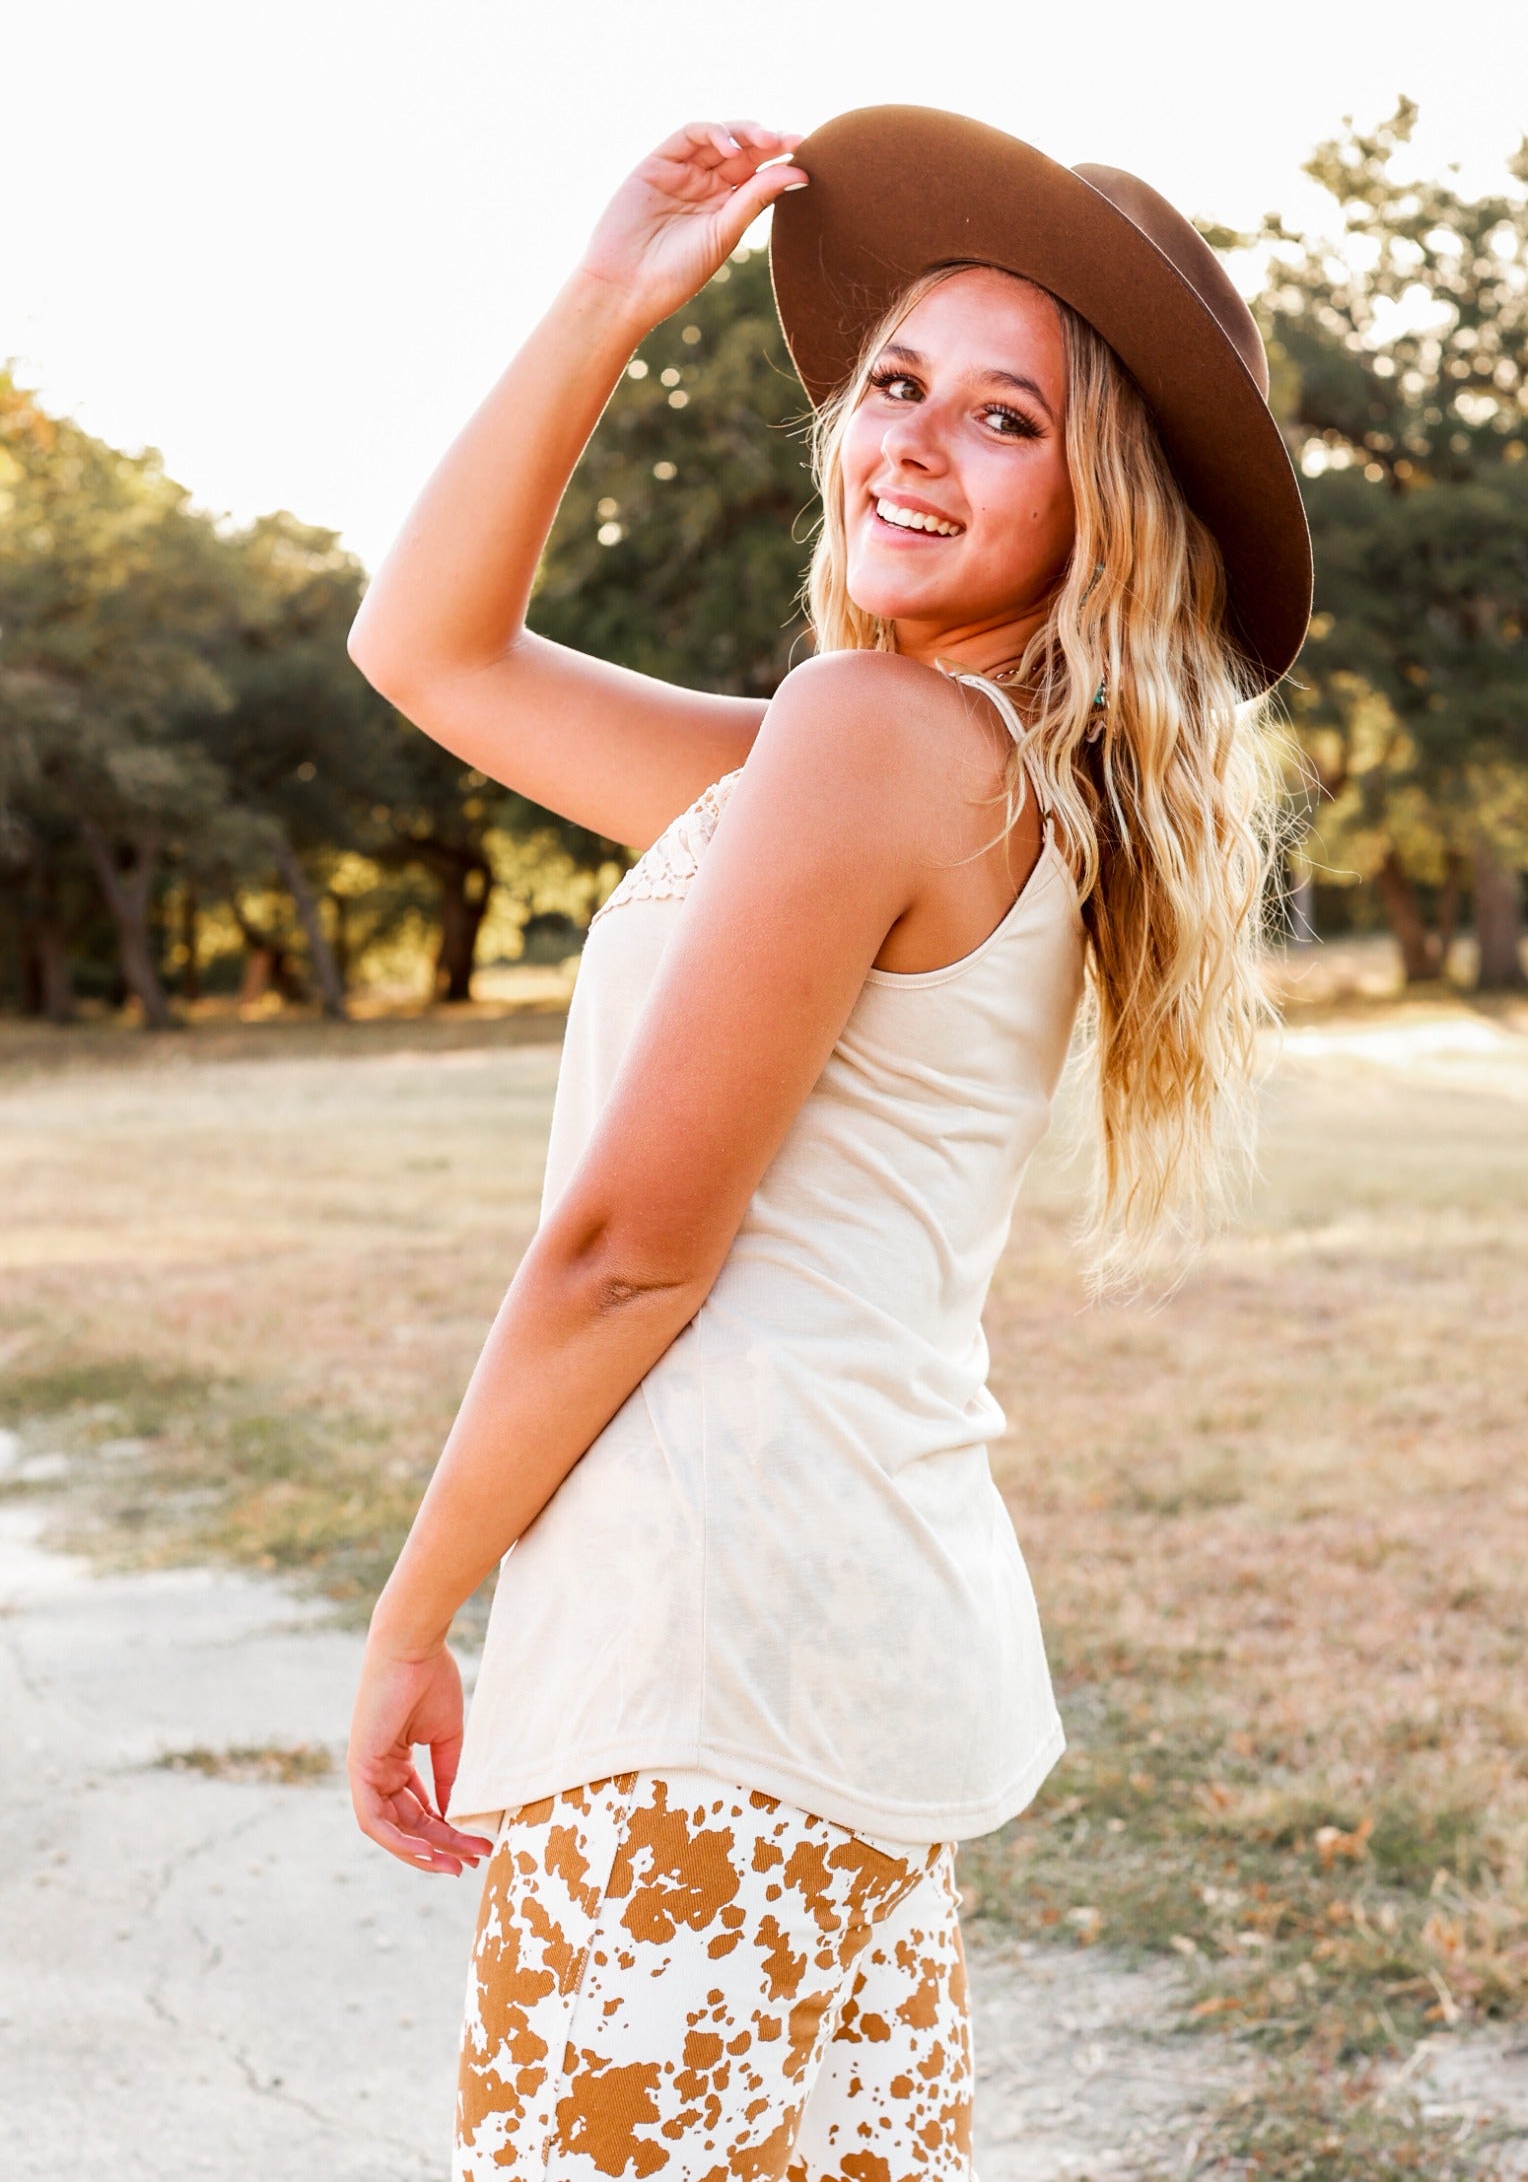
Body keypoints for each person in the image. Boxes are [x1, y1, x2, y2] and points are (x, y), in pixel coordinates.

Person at [345, 107, 1312, 2182]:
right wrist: (605, 300)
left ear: (1099, 499)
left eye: (999, 421)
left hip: (719, 1667)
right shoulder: (916, 761)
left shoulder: (879, 741)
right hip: (857, 1672)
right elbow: (422, 648)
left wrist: (414, 1614)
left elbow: (625, 1247)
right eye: (892, 386)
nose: (906, 445)